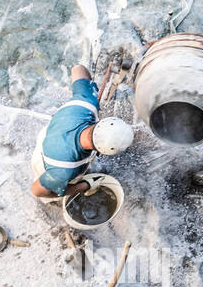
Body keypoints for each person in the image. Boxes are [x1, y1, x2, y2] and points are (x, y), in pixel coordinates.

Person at [30, 64, 133, 201]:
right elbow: (36, 190)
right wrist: (84, 186)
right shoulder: (64, 171)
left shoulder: (86, 102)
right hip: (46, 162)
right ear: (101, 152)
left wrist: (90, 88)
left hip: (54, 131)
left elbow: (77, 69)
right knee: (50, 192)